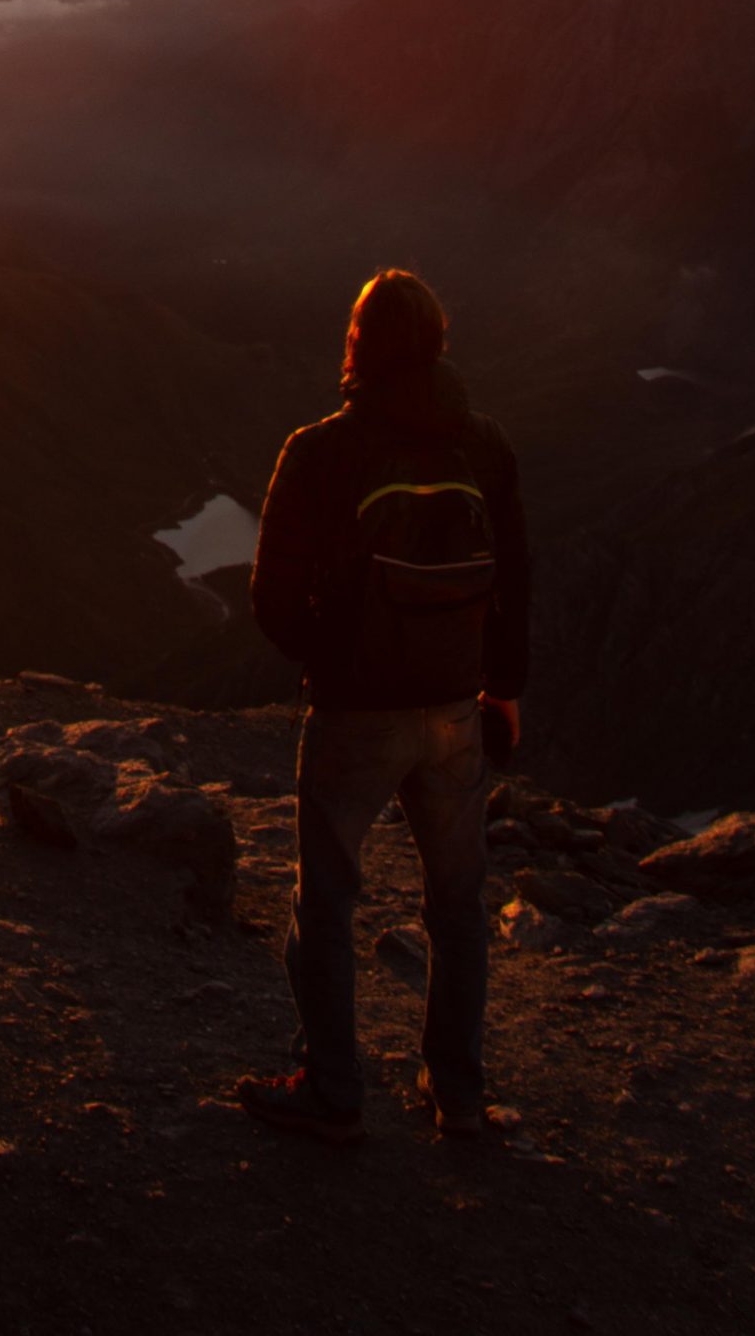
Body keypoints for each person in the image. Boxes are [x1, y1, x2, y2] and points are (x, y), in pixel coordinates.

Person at [242, 269, 528, 1143]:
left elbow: (272, 600)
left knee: (325, 900)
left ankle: (332, 1089)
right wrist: (502, 691)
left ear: (357, 346)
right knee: (457, 905)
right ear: (439, 344)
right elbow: (514, 581)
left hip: (354, 711)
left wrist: (331, 657)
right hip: (453, 710)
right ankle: (461, 1097)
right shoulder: (484, 447)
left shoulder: (321, 450)